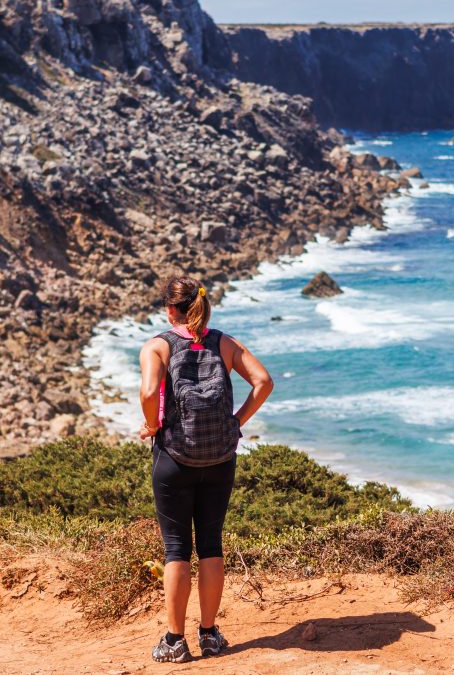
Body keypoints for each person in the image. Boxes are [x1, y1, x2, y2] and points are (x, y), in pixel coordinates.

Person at [138, 274, 274, 662]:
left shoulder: (157, 346)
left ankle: (174, 641)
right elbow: (263, 382)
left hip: (174, 459)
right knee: (211, 544)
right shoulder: (225, 343)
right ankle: (210, 634)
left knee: (177, 549)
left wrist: (152, 425)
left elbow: (149, 393)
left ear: (169, 309)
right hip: (219, 458)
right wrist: (236, 422)